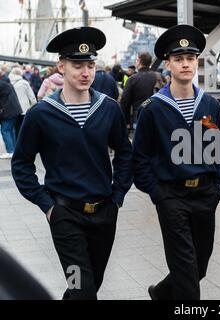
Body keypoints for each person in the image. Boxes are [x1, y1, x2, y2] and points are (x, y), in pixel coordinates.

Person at [11, 26, 133, 300]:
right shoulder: (41, 114)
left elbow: (126, 153)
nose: (85, 72)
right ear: (61, 66)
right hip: (65, 217)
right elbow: (21, 164)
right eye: (77, 65)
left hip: (104, 213)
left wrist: (118, 196)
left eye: (90, 65)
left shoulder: (109, 108)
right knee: (81, 287)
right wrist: (47, 205)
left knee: (91, 284)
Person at [133, 24, 220, 300]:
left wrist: (216, 184)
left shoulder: (209, 104)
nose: (185, 64)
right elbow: (140, 159)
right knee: (186, 274)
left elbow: (218, 150)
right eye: (178, 59)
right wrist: (159, 194)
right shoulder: (153, 108)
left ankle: (161, 293)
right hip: (171, 196)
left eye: (190, 58)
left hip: (204, 194)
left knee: (199, 266)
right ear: (168, 64)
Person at [120, 52, 162, 131]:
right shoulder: (158, 77)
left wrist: (127, 121)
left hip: (139, 117)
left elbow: (125, 102)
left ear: (138, 61)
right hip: (157, 117)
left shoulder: (132, 79)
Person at [0, 67, 22, 159]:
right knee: (10, 130)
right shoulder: (6, 81)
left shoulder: (2, 84)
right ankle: (13, 150)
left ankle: (10, 151)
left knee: (5, 130)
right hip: (14, 110)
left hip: (8, 111)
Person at [8, 67, 37, 135]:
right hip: (24, 109)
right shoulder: (24, 83)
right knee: (21, 128)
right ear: (21, 74)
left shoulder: (8, 82)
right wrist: (34, 106)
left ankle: (13, 144)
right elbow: (31, 96)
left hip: (12, 109)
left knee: (12, 128)